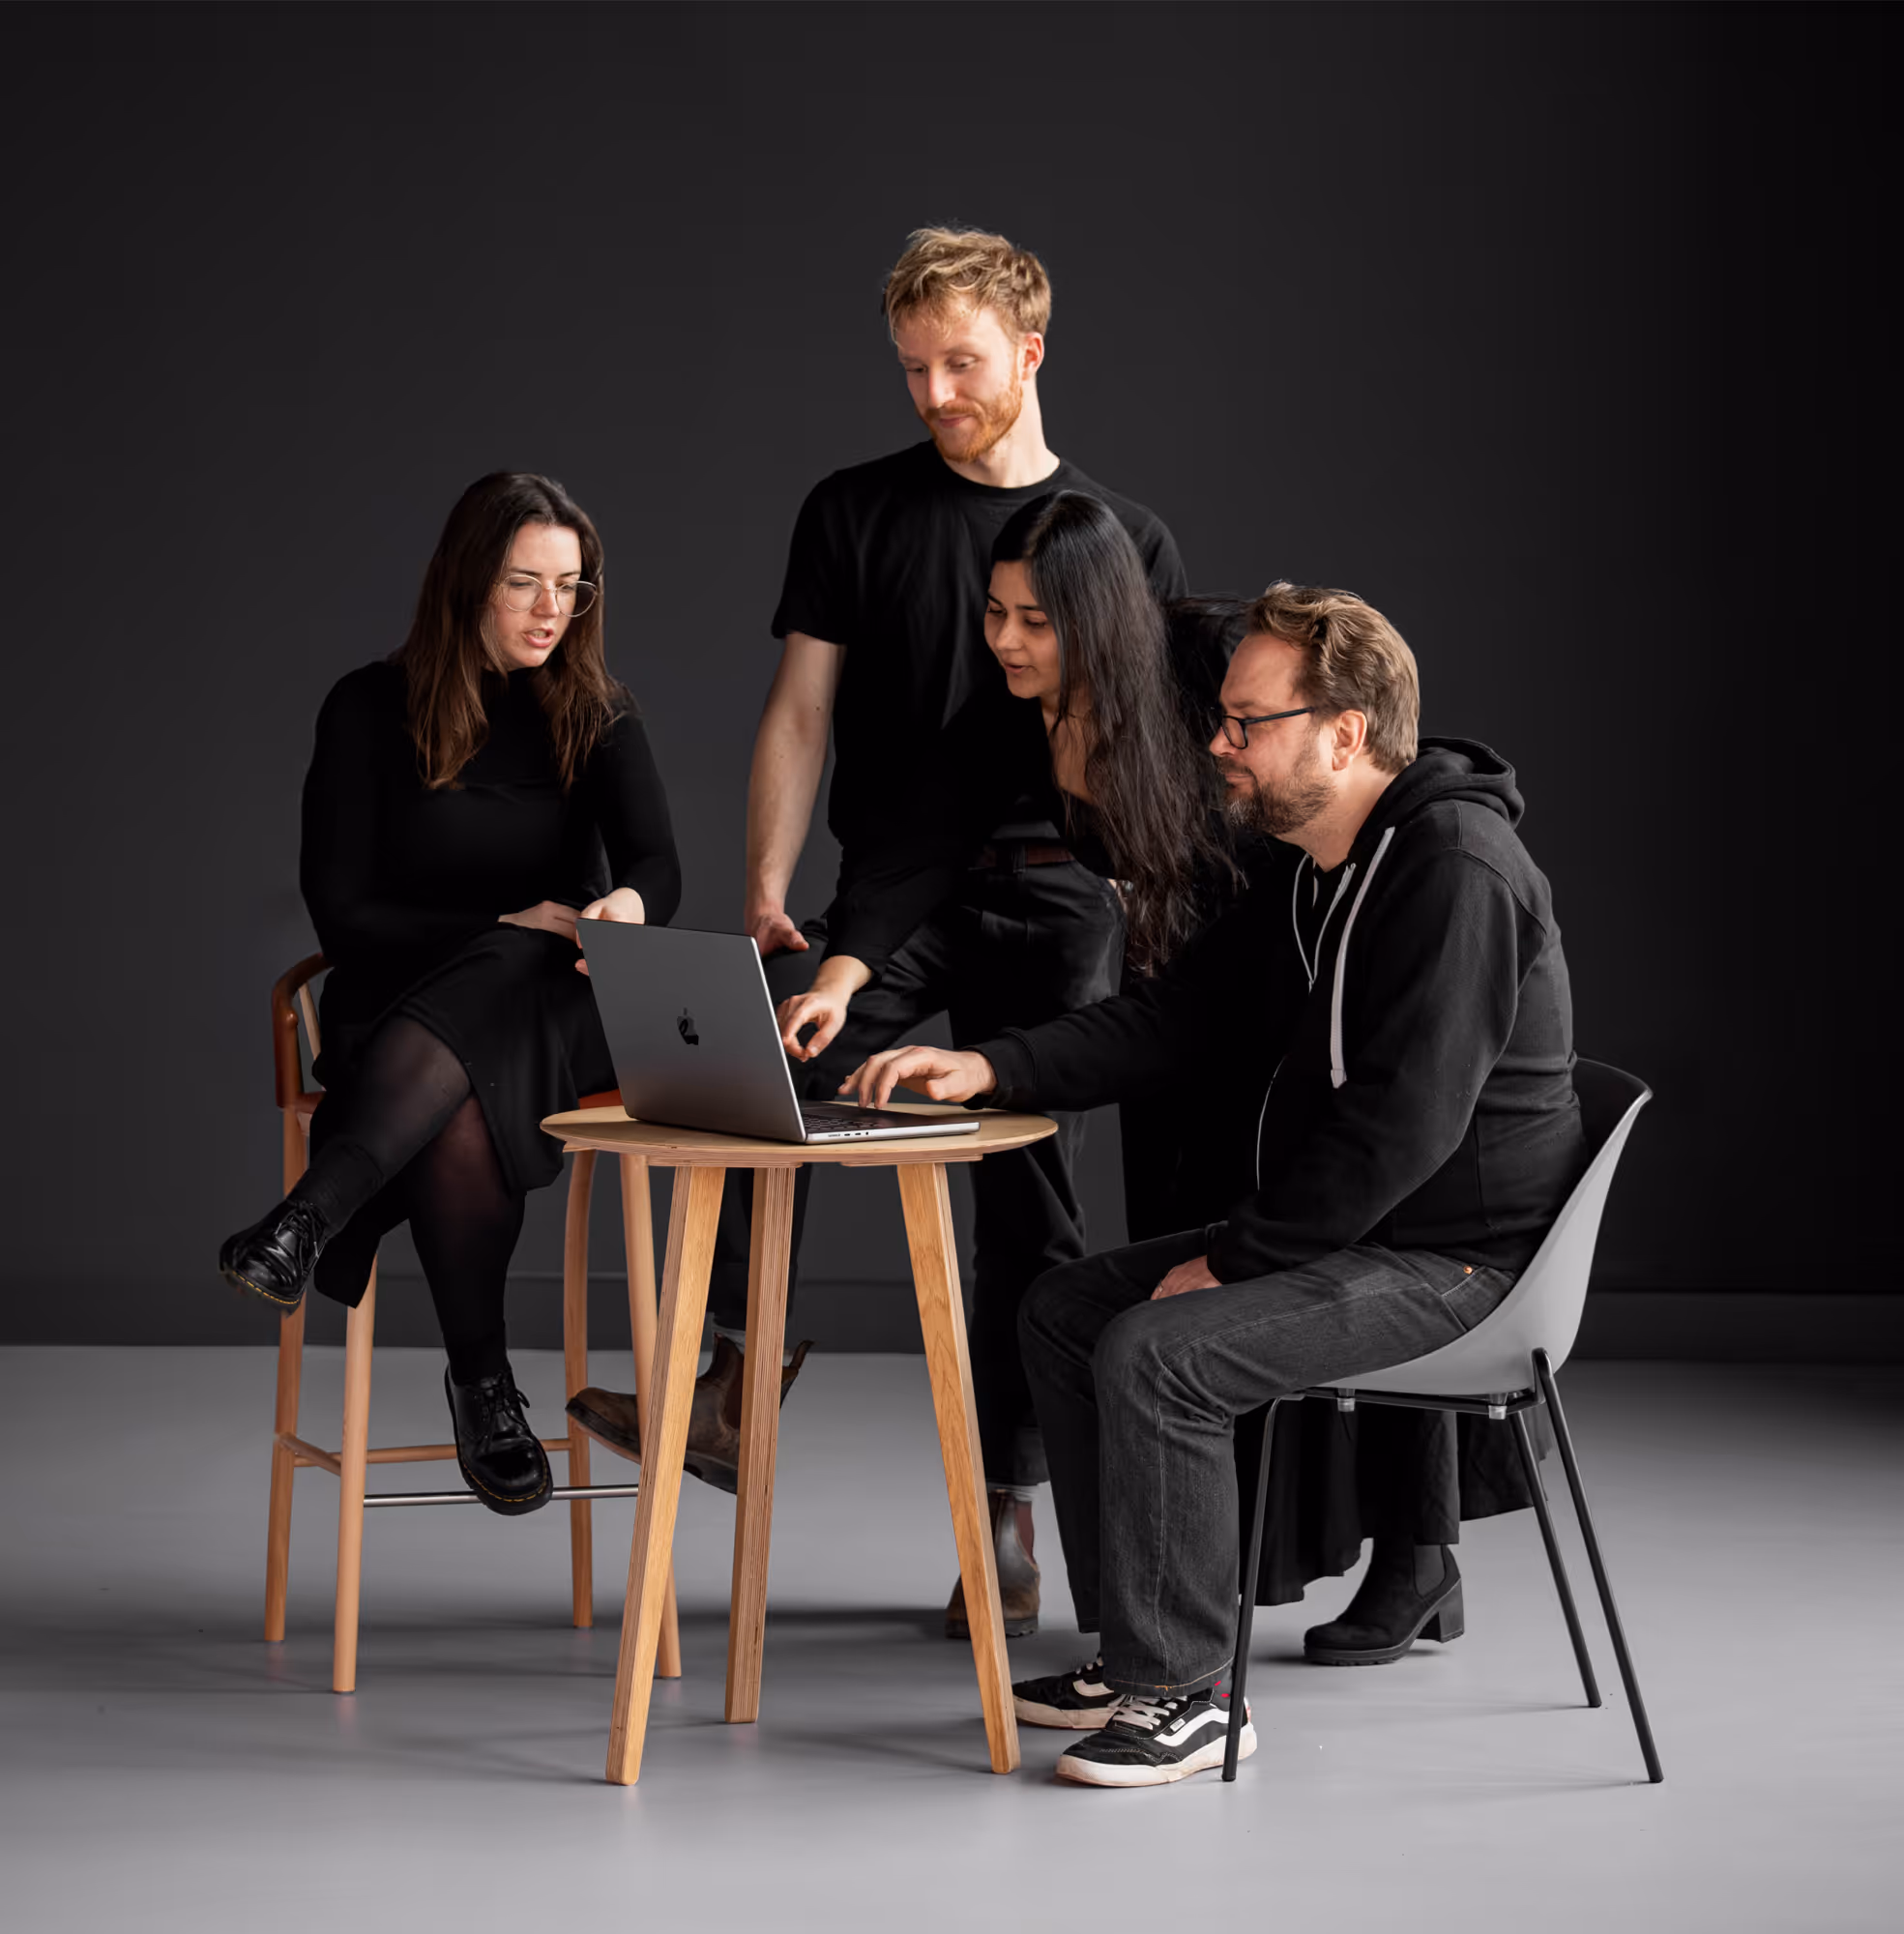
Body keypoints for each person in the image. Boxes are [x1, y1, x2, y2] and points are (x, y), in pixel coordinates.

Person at [841, 581, 1588, 1784]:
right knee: (1069, 1309)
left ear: (1343, 732)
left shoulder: (1452, 867)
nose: (1217, 744)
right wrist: (988, 1061)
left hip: (1463, 1265)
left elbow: (1405, 1123)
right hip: (1379, 1239)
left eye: (1247, 722)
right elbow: (1176, 1018)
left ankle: (1190, 1694)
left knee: (1160, 1345)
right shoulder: (1310, 868)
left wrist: (1239, 1257)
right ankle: (1138, 1644)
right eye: (1225, 718)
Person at [568, 228, 1186, 1637]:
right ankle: (735, 1379)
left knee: (1029, 1208)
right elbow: (802, 713)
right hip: (884, 892)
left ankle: (1007, 1525)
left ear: (1032, 352)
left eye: (960, 362)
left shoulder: (1118, 539)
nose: (934, 392)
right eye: (912, 367)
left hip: (1060, 898)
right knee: (756, 1083)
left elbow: (1133, 753)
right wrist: (770, 884)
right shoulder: (854, 509)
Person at [219, 472, 681, 1516]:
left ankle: (309, 1217)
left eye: (572, 585)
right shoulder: (367, 707)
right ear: (466, 580)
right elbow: (344, 914)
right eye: (524, 582)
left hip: (560, 1008)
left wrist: (625, 905)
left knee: (534, 955)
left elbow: (658, 863)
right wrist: (501, 926)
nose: (552, 610)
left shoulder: (596, 711)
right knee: (473, 1068)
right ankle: (483, 1381)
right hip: (396, 1001)